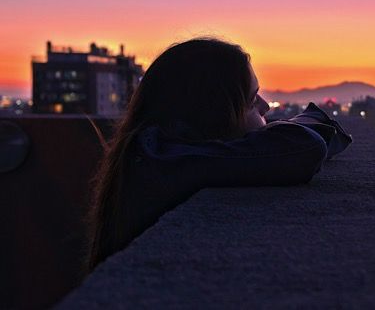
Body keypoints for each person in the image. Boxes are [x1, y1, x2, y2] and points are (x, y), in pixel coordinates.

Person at [86, 38, 352, 272]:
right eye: (251, 100)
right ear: (213, 114)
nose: (265, 107)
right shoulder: (167, 160)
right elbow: (304, 147)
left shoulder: (161, 149)